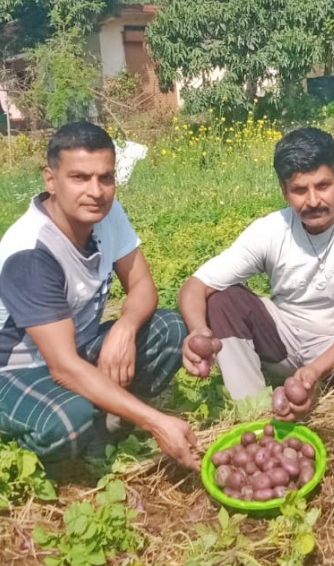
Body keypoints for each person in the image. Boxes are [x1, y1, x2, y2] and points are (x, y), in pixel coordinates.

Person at [0, 122, 198, 469]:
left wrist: (125, 326)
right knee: (67, 420)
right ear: (51, 180)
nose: (95, 191)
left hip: (72, 350)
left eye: (105, 178)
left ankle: (106, 420)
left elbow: (142, 286)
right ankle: (67, 433)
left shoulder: (105, 213)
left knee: (168, 330)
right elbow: (62, 367)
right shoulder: (31, 253)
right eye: (79, 177)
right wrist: (155, 420)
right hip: (15, 370)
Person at [178, 127, 334, 415]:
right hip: (284, 338)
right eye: (300, 190)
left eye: (323, 186)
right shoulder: (271, 230)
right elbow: (196, 285)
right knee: (221, 299)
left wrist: (315, 370)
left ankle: (321, 392)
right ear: (283, 190)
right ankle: (253, 410)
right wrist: (198, 331)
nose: (313, 201)